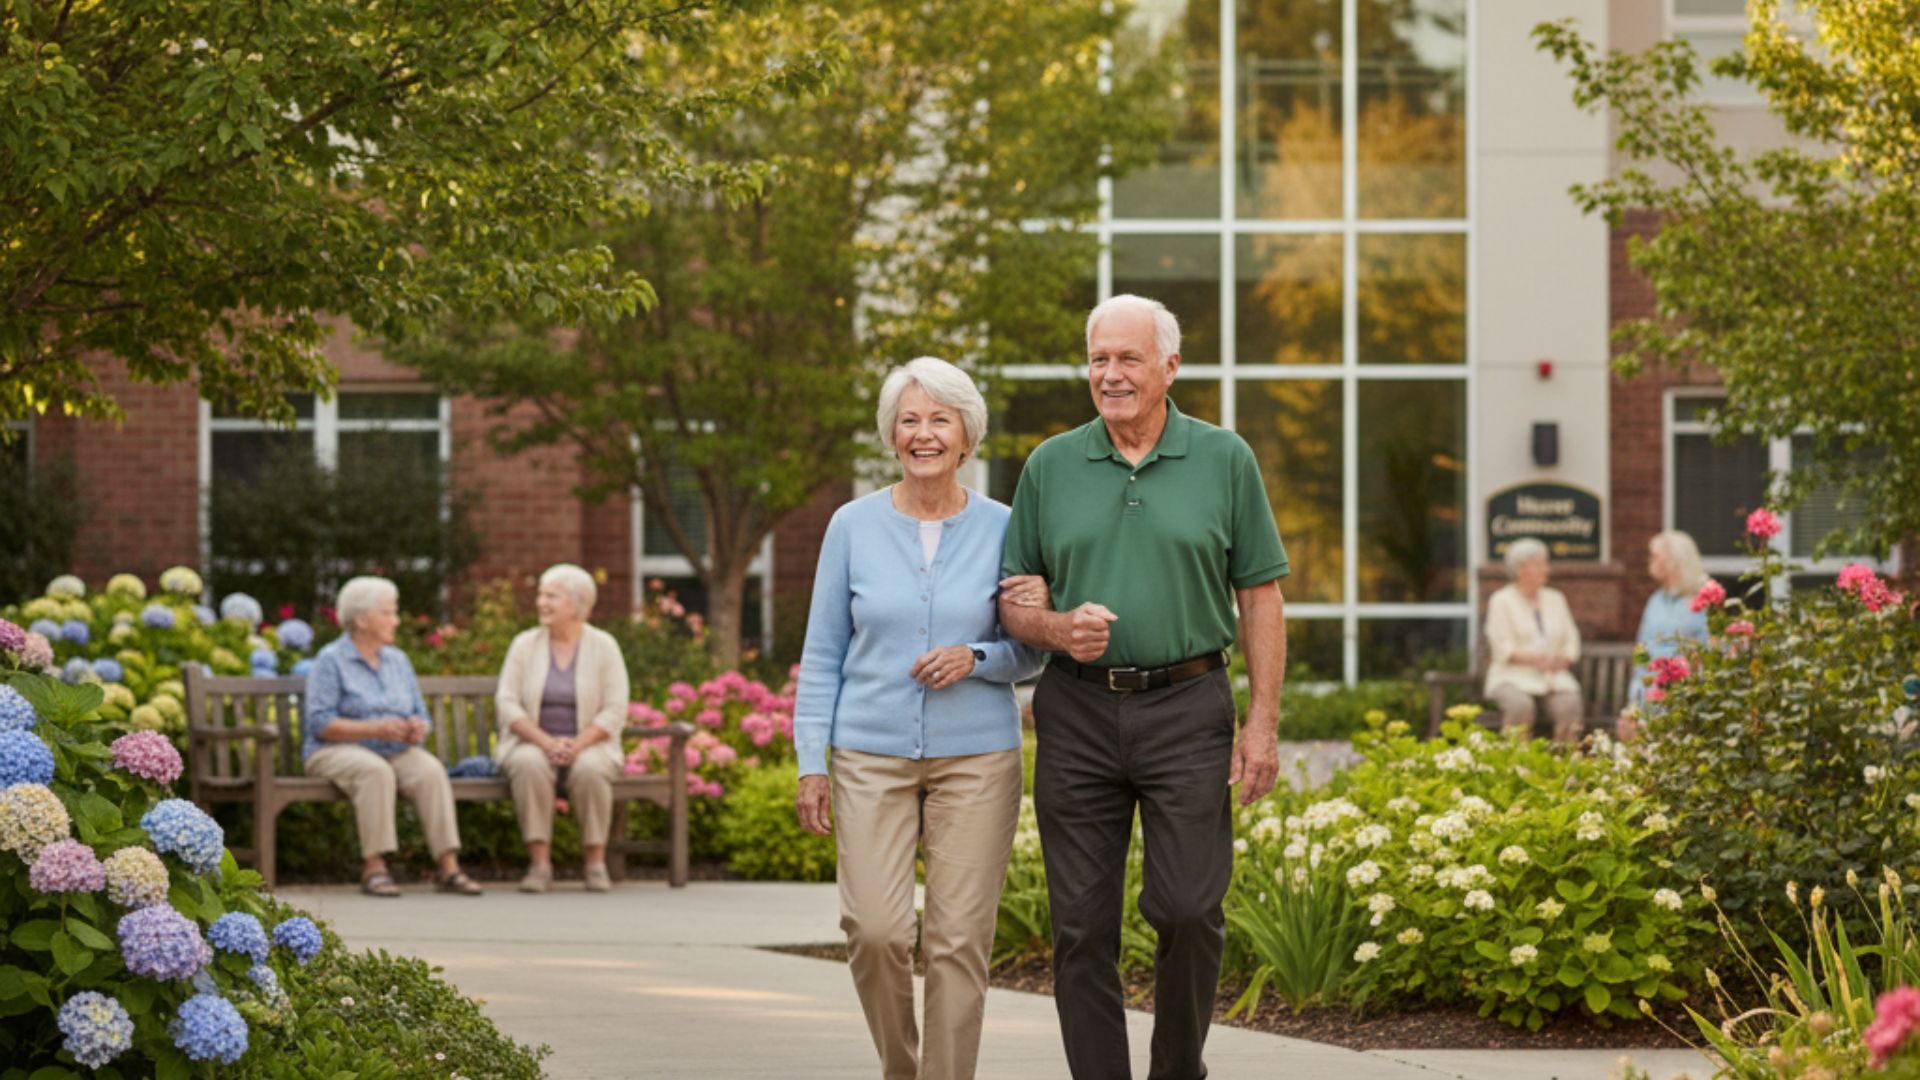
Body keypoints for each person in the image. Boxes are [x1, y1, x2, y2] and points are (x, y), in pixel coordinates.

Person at [997, 294, 1289, 1080]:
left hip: (1189, 707)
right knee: (1081, 927)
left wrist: (1260, 724)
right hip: (1078, 711)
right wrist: (1059, 629)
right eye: (1099, 359)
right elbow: (1015, 596)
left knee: (1190, 909)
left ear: (1170, 367)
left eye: (1128, 359)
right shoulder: (1051, 465)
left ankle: (1175, 1072)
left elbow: (1260, 595)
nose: (1111, 374)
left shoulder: (1225, 458)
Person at [792, 356, 1045, 1080]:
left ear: (968, 436)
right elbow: (821, 652)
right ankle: (902, 1070)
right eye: (909, 420)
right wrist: (812, 760)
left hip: (978, 758)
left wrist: (977, 658)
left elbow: (1032, 651)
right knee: (874, 931)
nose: (923, 433)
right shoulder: (851, 526)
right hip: (869, 755)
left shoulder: (1007, 526)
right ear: (890, 435)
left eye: (940, 419)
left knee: (959, 938)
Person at [303, 576, 482, 896]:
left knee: (429, 771)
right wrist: (376, 728)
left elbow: (419, 712)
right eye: (388, 613)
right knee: (375, 771)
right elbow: (320, 722)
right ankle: (375, 867)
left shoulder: (397, 660)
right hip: (335, 749)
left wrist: (416, 727)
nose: (396, 620)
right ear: (362, 619)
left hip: (393, 748)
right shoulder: (331, 660)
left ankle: (449, 867)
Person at [494, 563, 632, 893]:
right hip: (532, 743)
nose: (542, 602)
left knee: (590, 768)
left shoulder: (605, 646)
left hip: (590, 744)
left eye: (551, 596)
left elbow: (615, 708)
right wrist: (546, 742)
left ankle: (595, 862)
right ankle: (539, 864)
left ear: (577, 604)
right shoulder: (524, 645)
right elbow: (506, 702)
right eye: (541, 595)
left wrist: (578, 744)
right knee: (529, 763)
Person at [1483, 538, 1585, 741]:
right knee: (1521, 706)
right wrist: (1537, 660)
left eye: (1545, 563)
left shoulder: (1556, 598)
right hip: (1512, 676)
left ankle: (1564, 762)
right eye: (1539, 564)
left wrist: (1565, 659)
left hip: (1554, 677)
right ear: (1520, 570)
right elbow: (1503, 647)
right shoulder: (1501, 601)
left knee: (1570, 705)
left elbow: (1572, 639)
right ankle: (1518, 763)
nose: (1546, 570)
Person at [1619, 530, 1710, 737]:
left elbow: (1707, 652)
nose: (1650, 561)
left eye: (1655, 556)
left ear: (1673, 561)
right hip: (1648, 694)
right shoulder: (1655, 601)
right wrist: (1632, 706)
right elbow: (1641, 651)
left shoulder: (1700, 601)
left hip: (1683, 697)